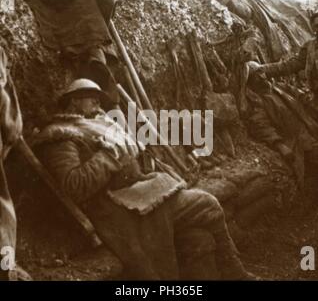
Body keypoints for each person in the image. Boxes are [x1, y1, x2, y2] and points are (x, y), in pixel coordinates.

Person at [33, 78, 259, 280]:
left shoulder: (94, 124)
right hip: (117, 208)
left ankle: (231, 273)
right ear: (73, 102)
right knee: (208, 204)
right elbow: (75, 185)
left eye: (98, 99)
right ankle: (235, 273)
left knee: (198, 239)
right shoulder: (61, 136)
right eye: (91, 99)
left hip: (137, 194)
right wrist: (110, 155)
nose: (97, 103)